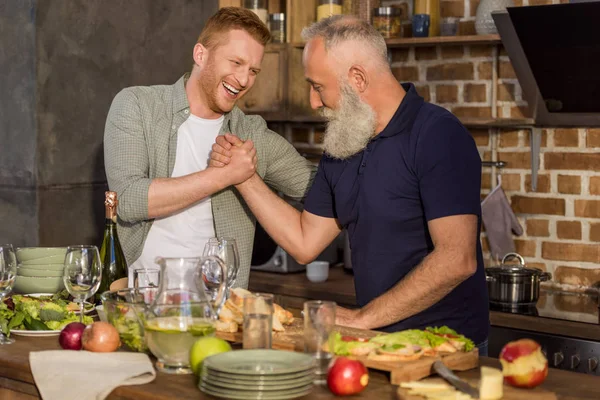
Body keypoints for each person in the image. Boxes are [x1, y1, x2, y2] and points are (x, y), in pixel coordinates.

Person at [209, 15, 490, 354]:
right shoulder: (343, 143)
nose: (314, 102)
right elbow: (303, 241)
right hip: (373, 344)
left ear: (357, 79)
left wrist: (362, 319)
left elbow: (457, 259)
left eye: (318, 86)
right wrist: (245, 177)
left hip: (446, 348)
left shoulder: (438, 134)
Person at [103, 7, 316, 289]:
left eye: (253, 70)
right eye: (236, 62)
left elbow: (320, 188)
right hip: (138, 303)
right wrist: (225, 175)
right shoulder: (138, 106)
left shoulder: (252, 135)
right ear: (200, 54)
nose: (243, 80)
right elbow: (128, 200)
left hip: (219, 311)